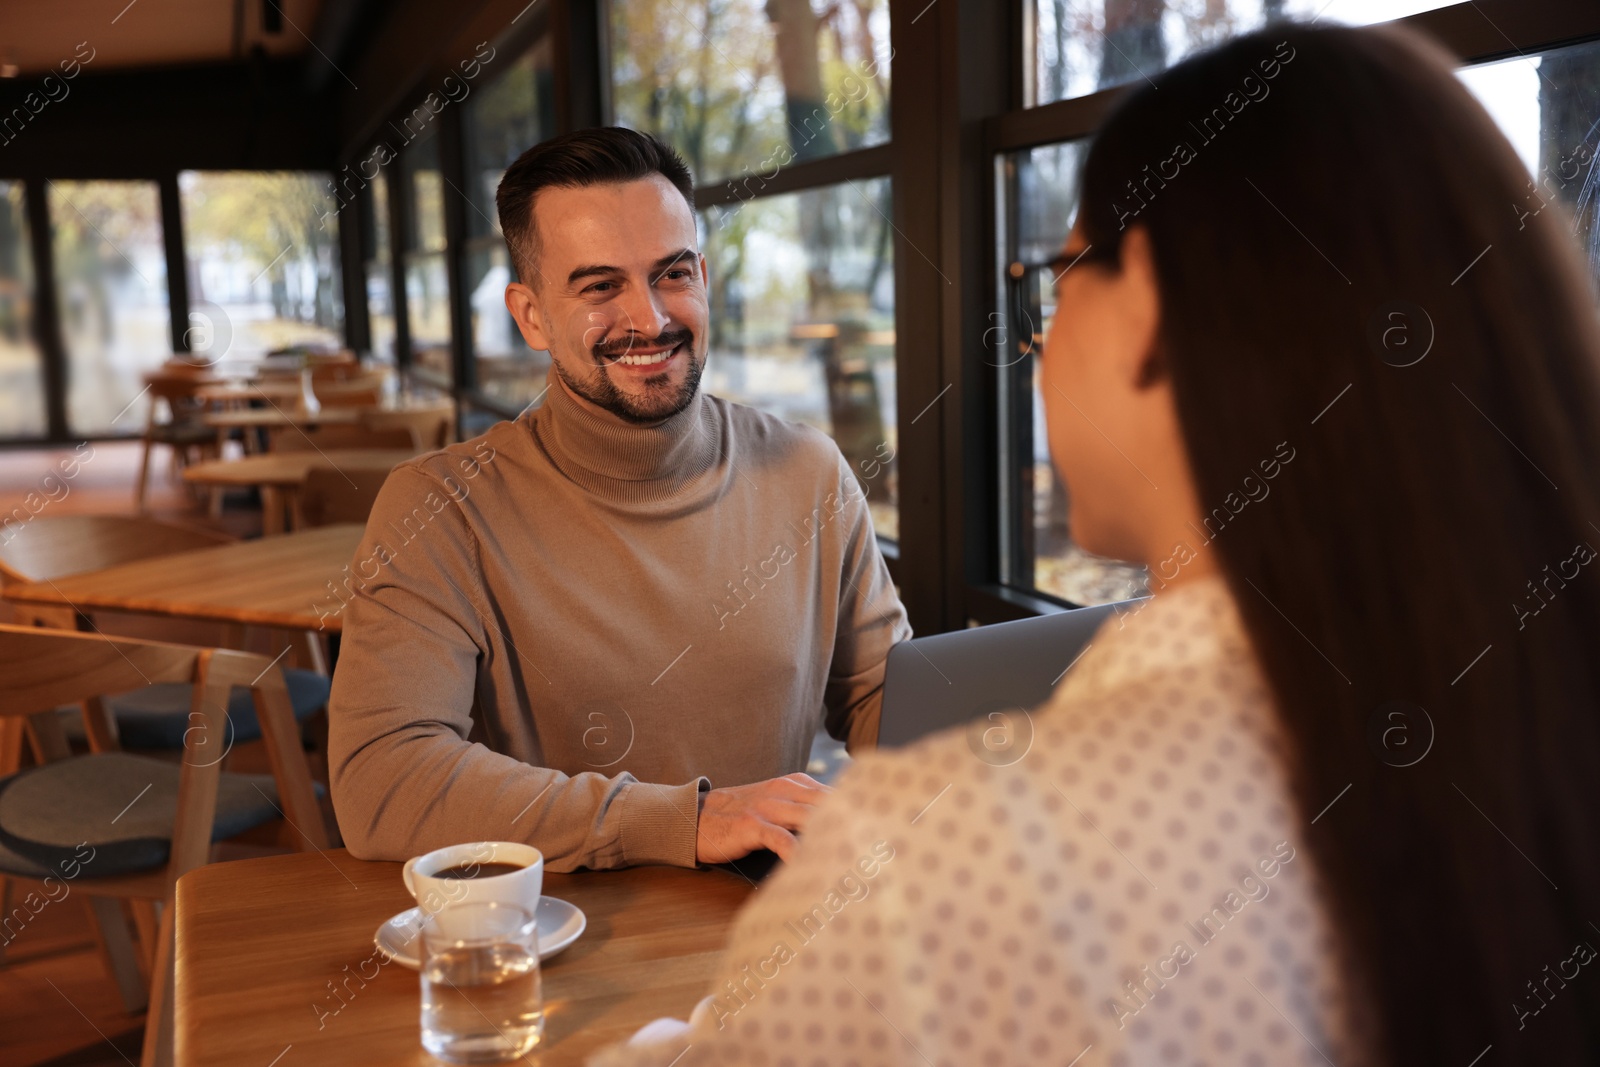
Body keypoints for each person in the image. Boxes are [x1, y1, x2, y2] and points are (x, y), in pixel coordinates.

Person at [589, 22, 1600, 1066]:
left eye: (1058, 274)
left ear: (1148, 306)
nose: (1039, 336)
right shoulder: (1524, 732)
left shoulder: (964, 868)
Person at [327, 127, 910, 872]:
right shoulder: (440, 507)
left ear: (703, 277)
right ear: (531, 314)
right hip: (558, 948)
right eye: (600, 286)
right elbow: (383, 782)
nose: (650, 318)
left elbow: (884, 699)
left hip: (770, 928)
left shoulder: (810, 470)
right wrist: (686, 820)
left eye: (671, 274)